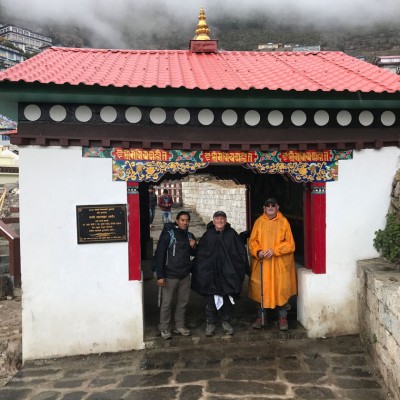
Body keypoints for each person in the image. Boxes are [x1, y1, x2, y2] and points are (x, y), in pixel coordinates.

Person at [191, 211, 249, 337]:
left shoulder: (232, 234)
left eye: (222, 219)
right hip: (211, 275)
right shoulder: (208, 235)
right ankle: (210, 323)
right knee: (211, 301)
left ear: (226, 220)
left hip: (227, 275)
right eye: (217, 219)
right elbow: (201, 254)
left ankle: (226, 322)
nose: (220, 221)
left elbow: (240, 254)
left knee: (227, 301)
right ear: (213, 221)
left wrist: (237, 270)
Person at [248, 197, 296, 331]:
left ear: (277, 207)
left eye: (273, 205)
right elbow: (252, 242)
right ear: (264, 208)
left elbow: (290, 244)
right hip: (263, 263)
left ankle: (282, 317)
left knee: (281, 290)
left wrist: (274, 250)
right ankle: (261, 316)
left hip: (279, 264)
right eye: (267, 205)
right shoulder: (259, 222)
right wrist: (258, 252)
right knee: (261, 290)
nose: (270, 207)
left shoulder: (284, 222)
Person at [152, 211, 196, 340]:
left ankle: (179, 325)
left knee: (183, 302)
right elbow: (160, 255)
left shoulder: (190, 235)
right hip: (170, 275)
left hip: (185, 275)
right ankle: (164, 327)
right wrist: (160, 276)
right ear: (177, 221)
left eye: (187, 220)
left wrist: (194, 246)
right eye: (182, 220)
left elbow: (194, 253)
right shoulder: (168, 235)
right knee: (167, 302)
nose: (185, 222)